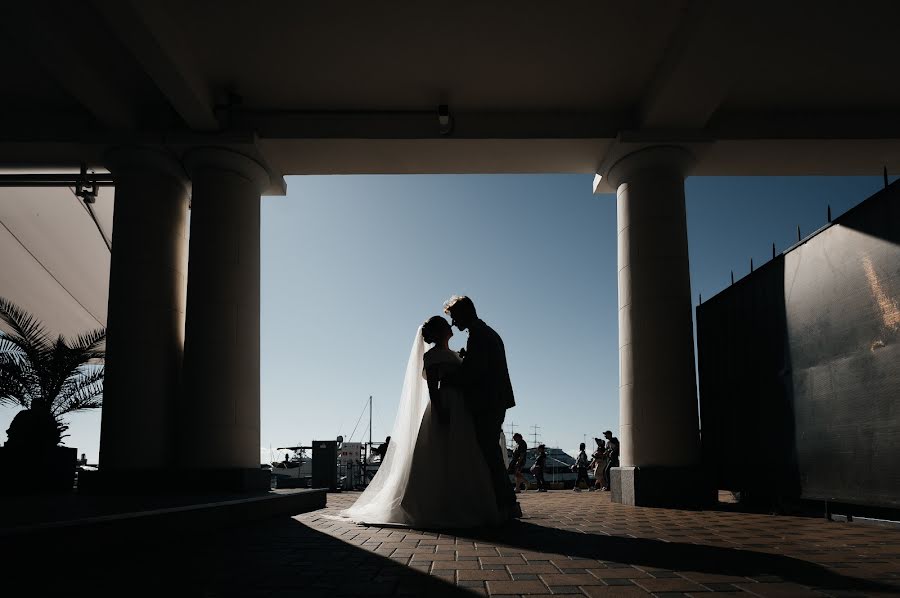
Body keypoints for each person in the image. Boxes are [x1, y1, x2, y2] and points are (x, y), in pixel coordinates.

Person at [342, 316, 503, 527]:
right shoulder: (433, 356)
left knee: (462, 451)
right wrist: (440, 411)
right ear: (439, 331)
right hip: (446, 404)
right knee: (442, 452)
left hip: (461, 407)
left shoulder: (453, 354)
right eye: (446, 324)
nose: (451, 325)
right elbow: (432, 388)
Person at [443, 295, 521, 520]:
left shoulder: (477, 335)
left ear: (464, 313)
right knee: (490, 450)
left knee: (489, 452)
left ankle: (506, 503)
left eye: (454, 317)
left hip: (487, 401)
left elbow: (473, 374)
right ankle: (503, 502)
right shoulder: (487, 332)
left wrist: (449, 378)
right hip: (496, 400)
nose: (453, 324)